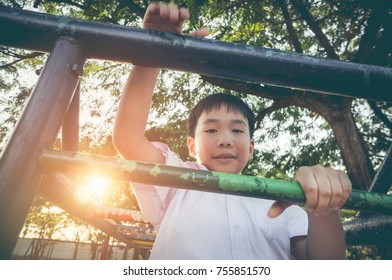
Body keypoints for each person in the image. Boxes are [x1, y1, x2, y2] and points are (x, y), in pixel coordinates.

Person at [113, 2, 352, 259]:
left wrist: (324, 210)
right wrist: (152, 51)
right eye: (211, 130)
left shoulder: (281, 198)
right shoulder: (175, 182)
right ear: (192, 146)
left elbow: (326, 262)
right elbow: (128, 140)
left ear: (251, 148)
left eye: (237, 131)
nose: (225, 140)